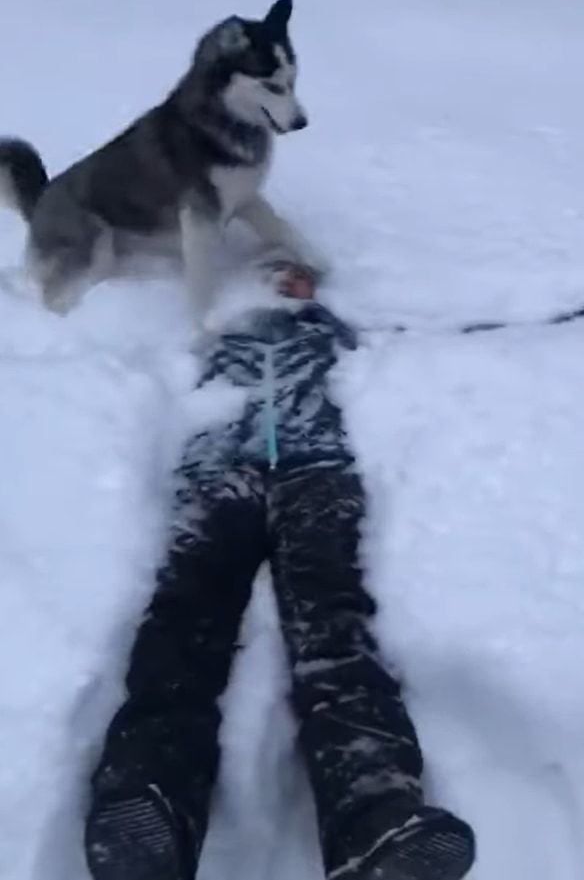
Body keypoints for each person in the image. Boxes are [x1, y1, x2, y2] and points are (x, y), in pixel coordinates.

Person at [84, 253, 476, 880]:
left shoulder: (330, 330)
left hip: (318, 477)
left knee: (334, 626)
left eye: (295, 273)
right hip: (218, 475)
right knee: (185, 616)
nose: (285, 281)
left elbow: (401, 368)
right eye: (272, 271)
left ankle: (375, 818)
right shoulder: (215, 329)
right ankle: (150, 794)